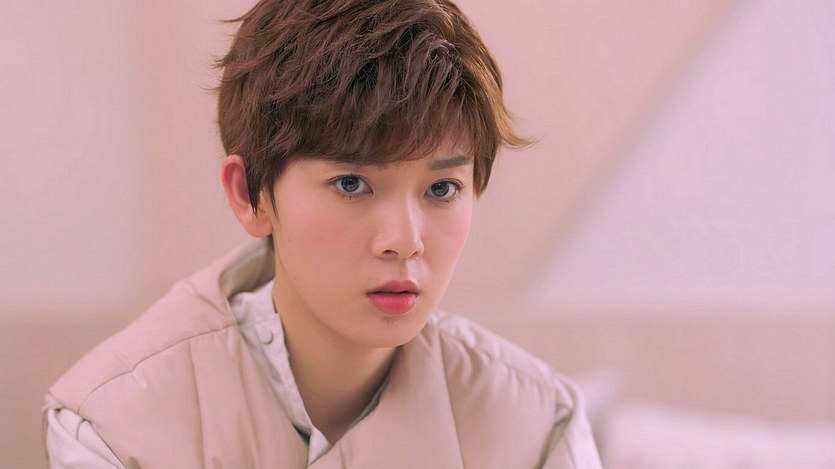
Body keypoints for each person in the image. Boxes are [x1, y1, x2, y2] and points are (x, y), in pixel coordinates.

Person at [43, 0, 601, 467]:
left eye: (441, 188)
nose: (405, 240)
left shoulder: (535, 424)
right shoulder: (113, 425)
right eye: (352, 184)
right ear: (250, 194)